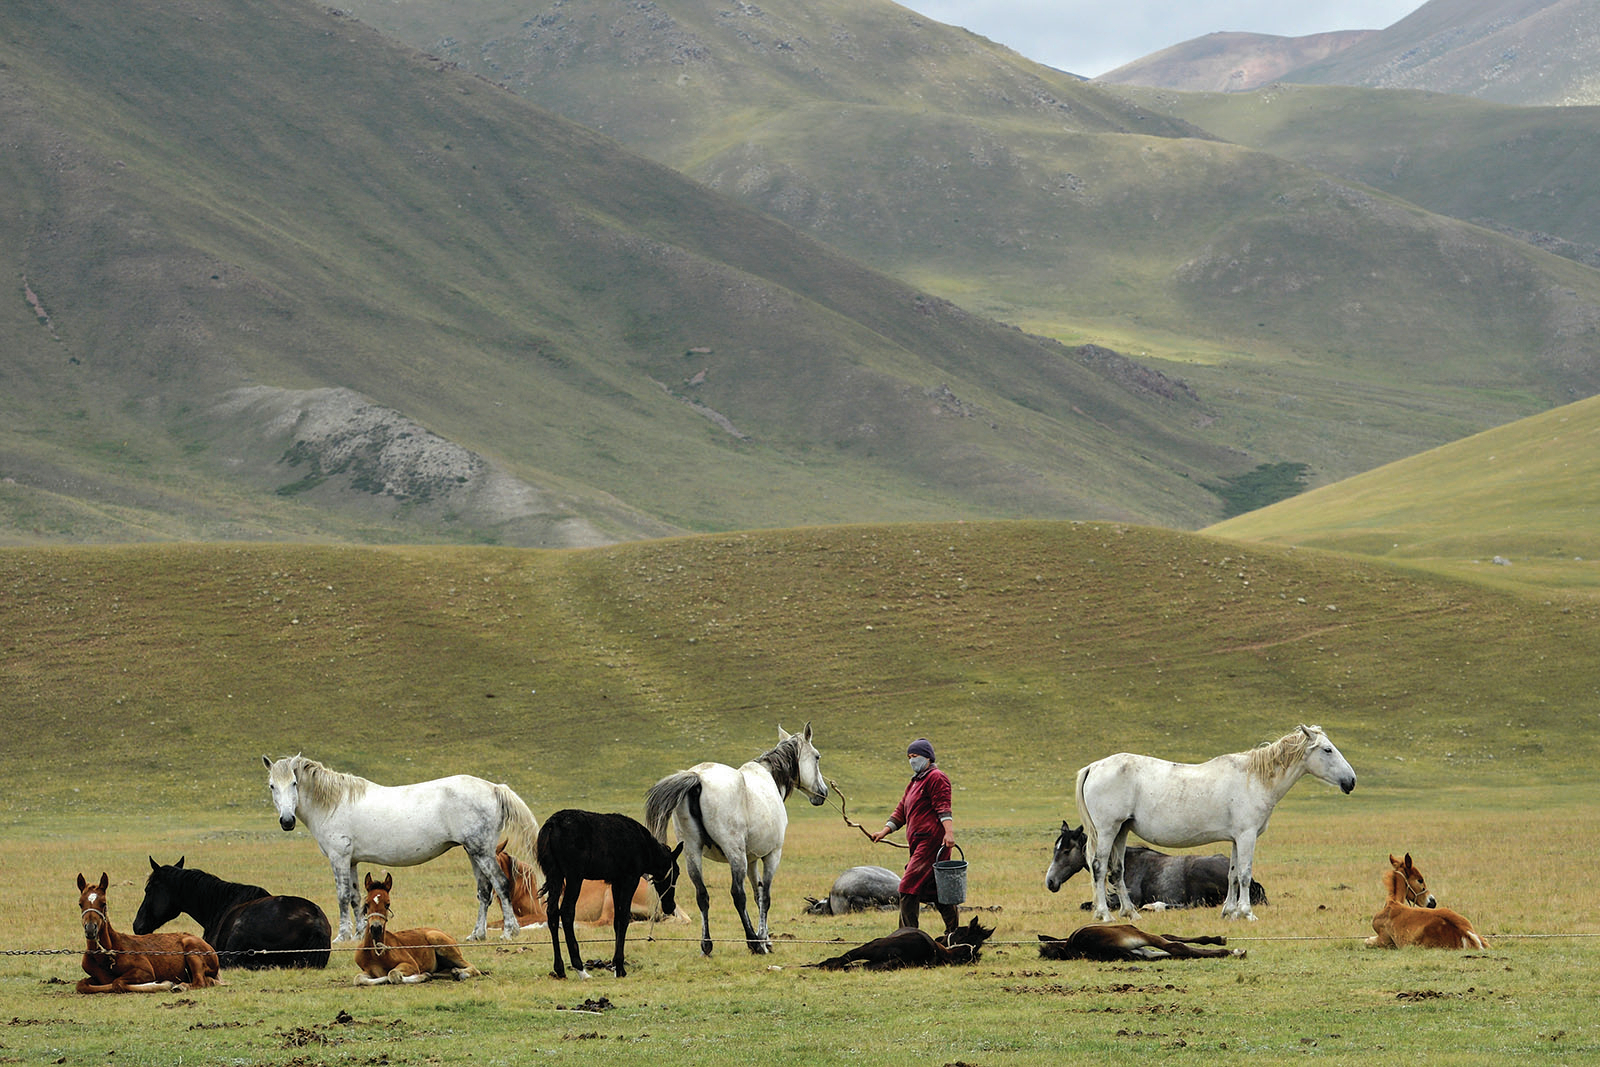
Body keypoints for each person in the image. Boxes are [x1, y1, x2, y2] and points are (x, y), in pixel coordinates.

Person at [870, 738, 960, 934]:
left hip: (931, 842)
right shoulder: (915, 782)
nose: (912, 760)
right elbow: (901, 811)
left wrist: (949, 833)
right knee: (937, 890)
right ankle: (954, 932)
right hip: (918, 842)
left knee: (907, 887)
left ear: (927, 757)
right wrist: (883, 831)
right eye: (909, 757)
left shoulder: (937, 777)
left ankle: (907, 936)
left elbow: (944, 808)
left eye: (915, 756)